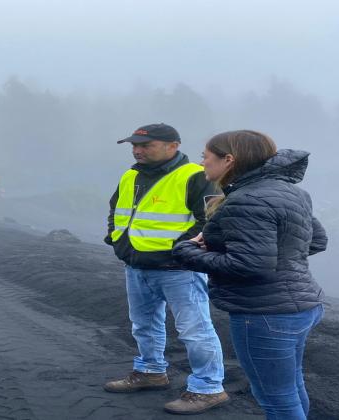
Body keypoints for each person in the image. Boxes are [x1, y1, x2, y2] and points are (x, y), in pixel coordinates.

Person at [173, 130, 327, 420]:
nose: (202, 163)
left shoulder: (245, 200)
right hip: (303, 306)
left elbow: (251, 266)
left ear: (228, 159)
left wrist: (187, 251)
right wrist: (271, 254)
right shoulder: (292, 192)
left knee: (276, 399)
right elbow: (316, 241)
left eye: (205, 156)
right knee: (291, 388)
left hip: (264, 313)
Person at [103, 123, 229, 414]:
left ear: (173, 145)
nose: (137, 150)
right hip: (136, 266)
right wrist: (116, 238)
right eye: (134, 145)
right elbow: (116, 210)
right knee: (143, 324)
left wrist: (181, 251)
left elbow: (211, 221)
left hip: (178, 270)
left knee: (194, 330)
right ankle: (150, 371)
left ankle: (208, 388)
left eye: (146, 145)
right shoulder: (131, 175)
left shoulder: (195, 176)